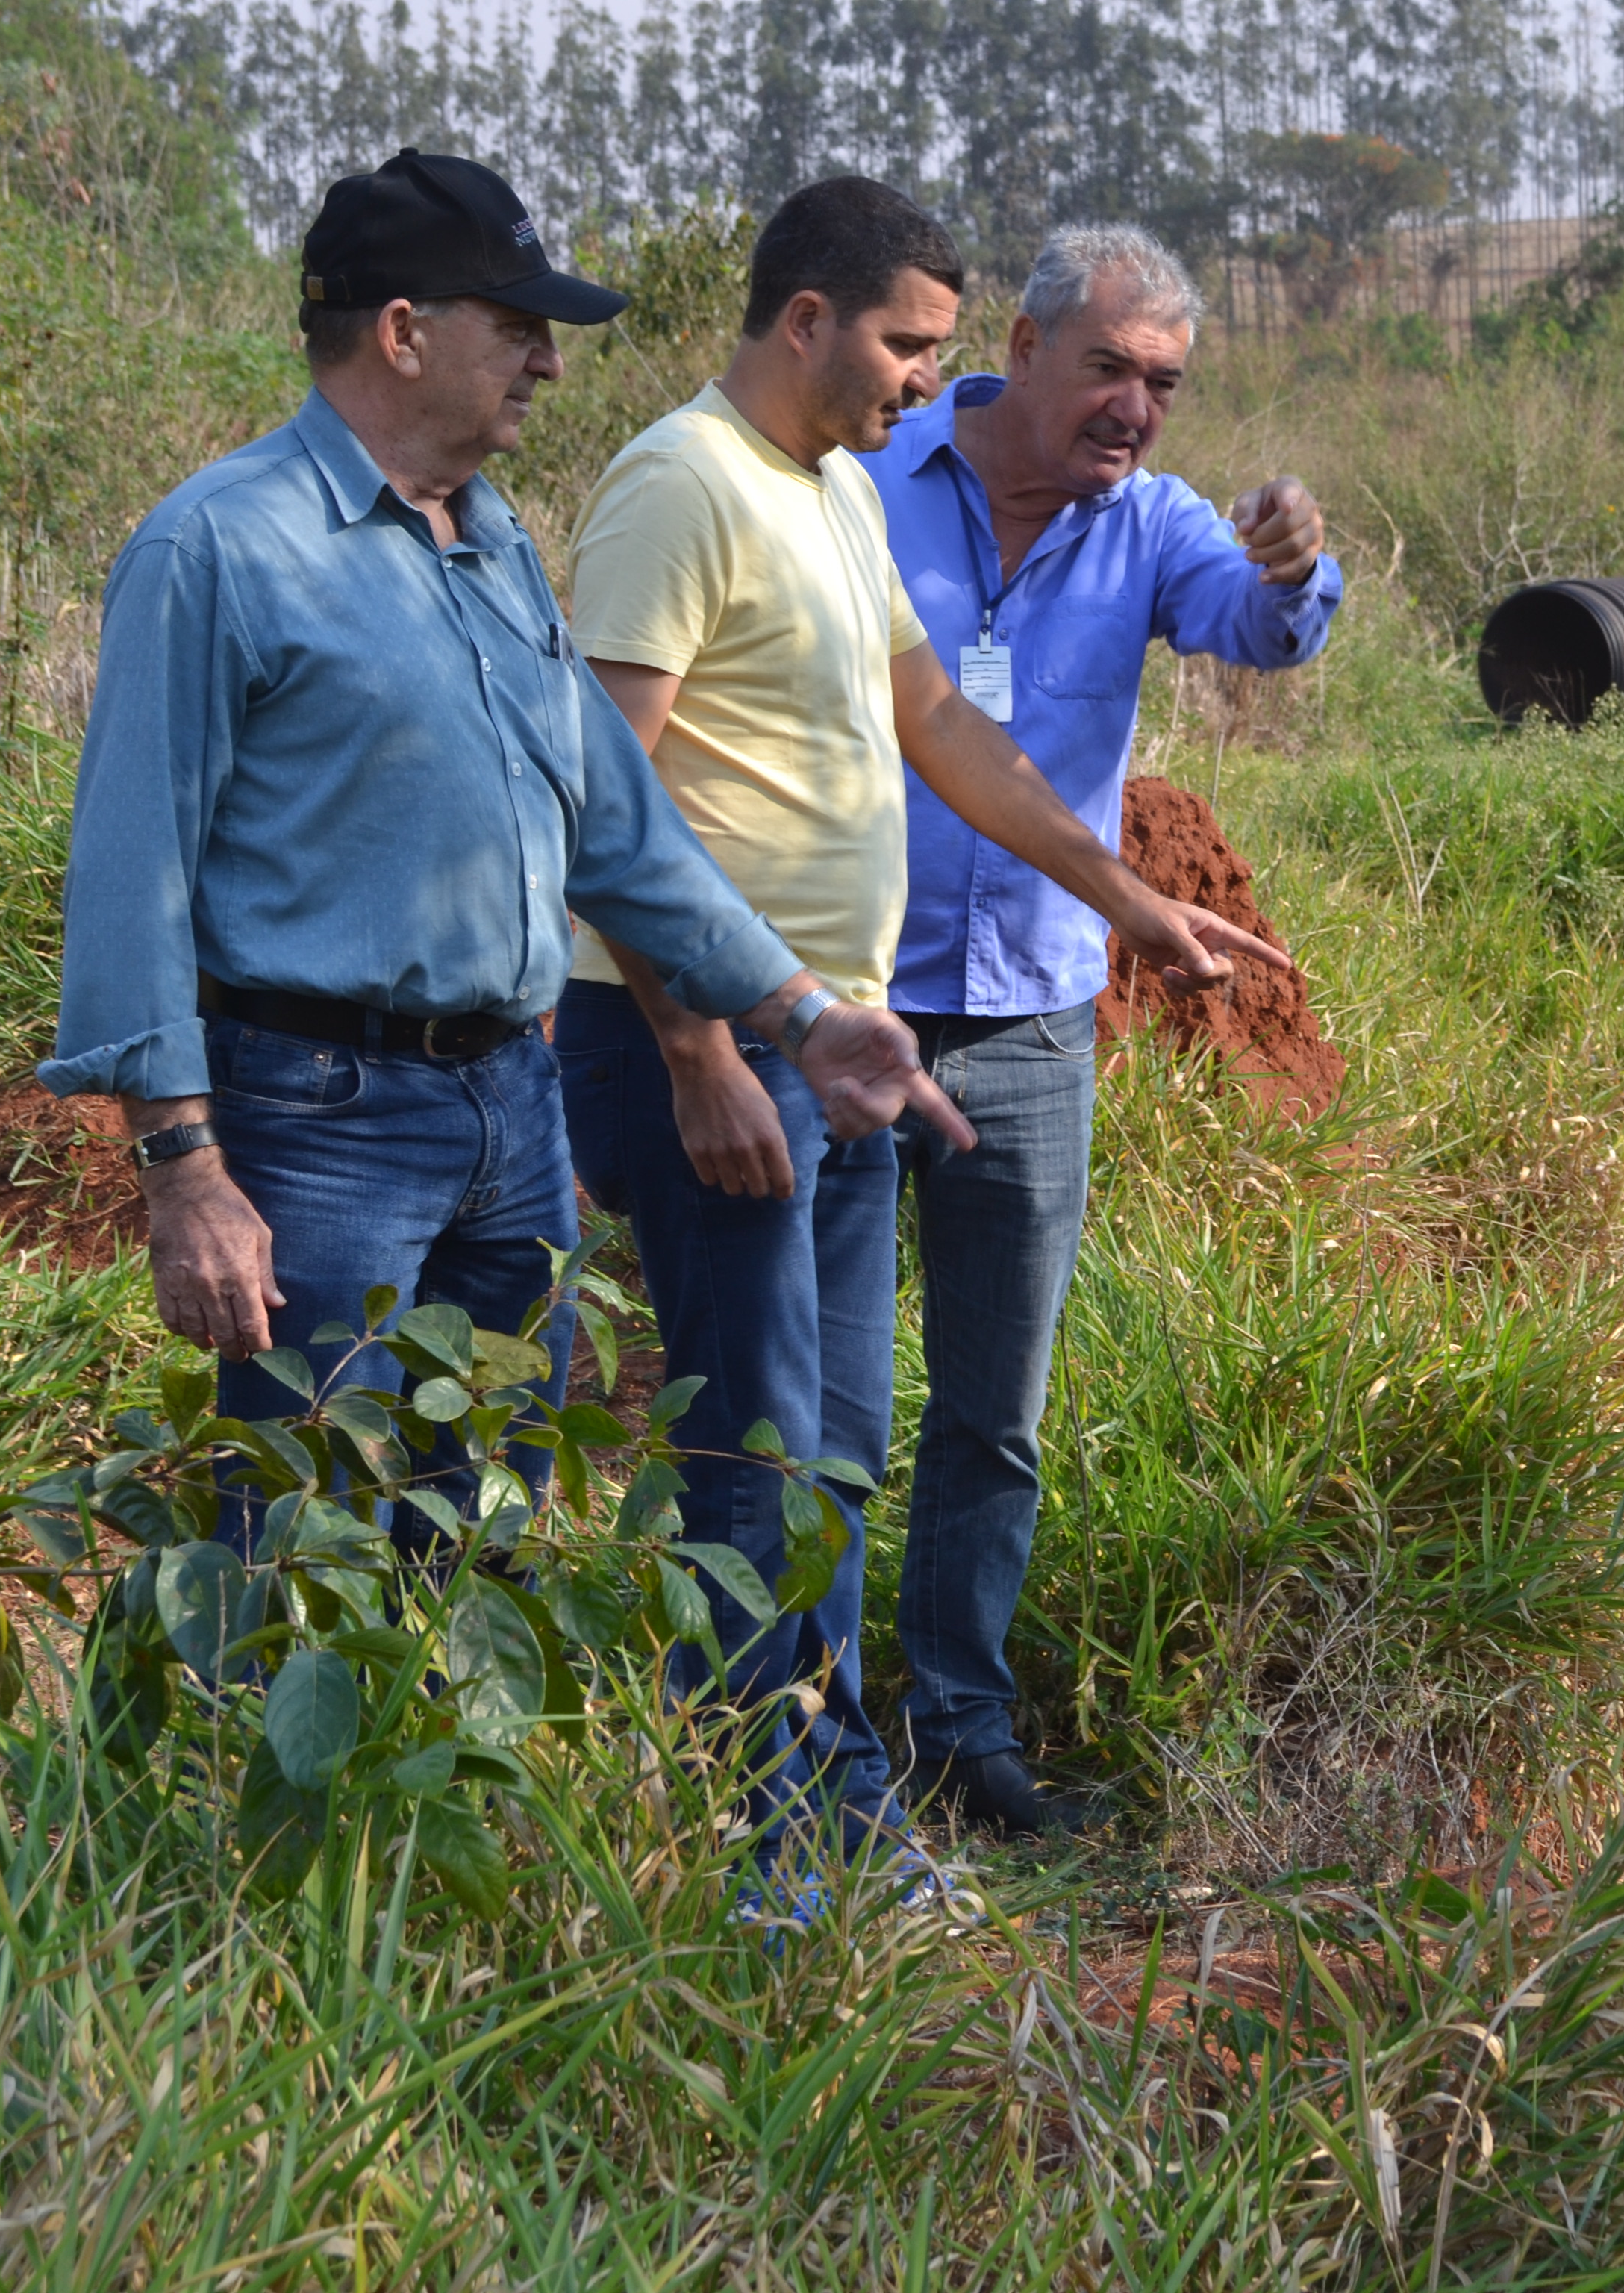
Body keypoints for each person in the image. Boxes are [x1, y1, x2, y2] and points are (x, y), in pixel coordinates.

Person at [40, 148, 960, 1494]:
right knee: (304, 1533)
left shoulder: (493, 540)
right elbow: (131, 874)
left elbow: (619, 824)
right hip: (321, 1124)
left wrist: (806, 1018)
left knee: (488, 1518)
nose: (549, 363)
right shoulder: (220, 549)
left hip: (511, 1114)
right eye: (520, 328)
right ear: (405, 334)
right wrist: (184, 1167)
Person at [559, 180, 1287, 1851]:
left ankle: (835, 1789)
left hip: (827, 1041)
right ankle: (766, 1837)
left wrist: (1129, 902)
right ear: (806, 319)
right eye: (907, 346)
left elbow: (939, 724)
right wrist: (693, 1049)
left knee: (830, 1444)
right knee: (761, 1447)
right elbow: (606, 800)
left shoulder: (825, 492)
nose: (918, 384)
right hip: (719, 1044)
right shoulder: (680, 485)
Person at [861, 222, 1339, 1835]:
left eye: (1169, 386)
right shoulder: (867, 481)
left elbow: (1255, 627)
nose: (1138, 410)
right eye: (1113, 370)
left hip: (1032, 1029)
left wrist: (1293, 567)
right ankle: (790, 1725)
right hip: (845, 1008)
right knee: (828, 1403)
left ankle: (961, 1732)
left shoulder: (1154, 524)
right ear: (1026, 343)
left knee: (995, 1412)